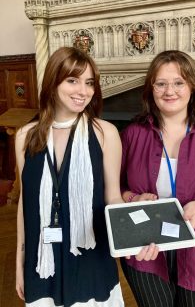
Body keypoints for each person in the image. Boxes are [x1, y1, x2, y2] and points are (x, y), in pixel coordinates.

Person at [120, 50, 195, 307]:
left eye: (179, 82)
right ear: (151, 89)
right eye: (161, 83)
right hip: (146, 249)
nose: (170, 91)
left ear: (193, 87)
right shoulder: (133, 134)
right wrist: (134, 197)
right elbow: (117, 187)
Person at [15, 46, 125, 306]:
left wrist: (133, 234)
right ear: (53, 82)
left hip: (91, 255)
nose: (83, 91)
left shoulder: (105, 133)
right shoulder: (25, 136)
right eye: (72, 80)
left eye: (89, 83)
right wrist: (20, 262)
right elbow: (25, 205)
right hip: (42, 258)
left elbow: (113, 198)